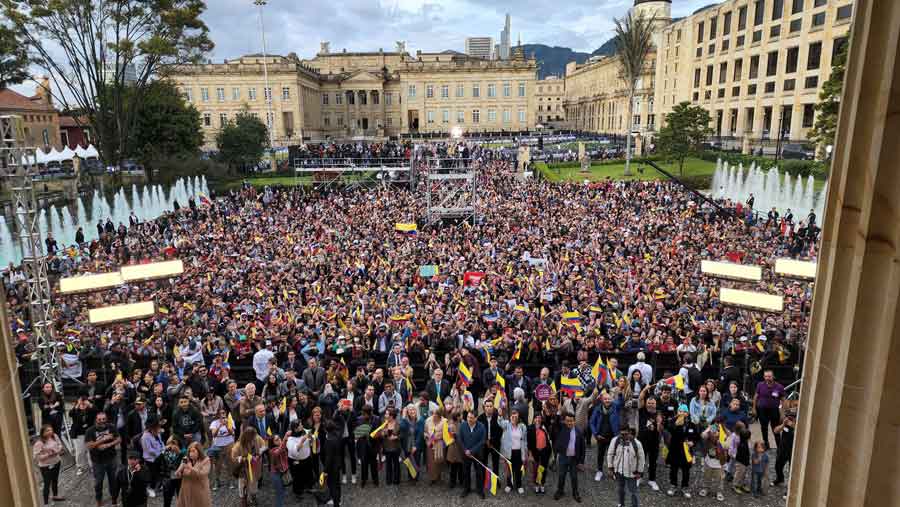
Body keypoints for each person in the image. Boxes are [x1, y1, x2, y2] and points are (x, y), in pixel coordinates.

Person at [85, 411, 121, 507]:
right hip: (97, 462)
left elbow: (118, 439)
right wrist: (102, 440)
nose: (102, 421)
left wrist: (109, 444)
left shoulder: (111, 427)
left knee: (113, 481)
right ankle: (99, 500)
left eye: (104, 419)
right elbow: (89, 446)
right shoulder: (90, 431)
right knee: (98, 483)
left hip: (112, 459)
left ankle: (114, 500)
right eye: (99, 419)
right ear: (96, 420)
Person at [606, 426, 645, 507]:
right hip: (619, 471)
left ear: (629, 432)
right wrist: (610, 468)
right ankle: (621, 504)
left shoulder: (637, 444)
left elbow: (641, 459)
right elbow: (610, 454)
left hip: (632, 473)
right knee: (620, 489)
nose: (623, 436)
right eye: (621, 434)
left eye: (625, 434)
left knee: (633, 492)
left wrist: (640, 472)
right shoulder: (615, 440)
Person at [665, 404, 697, 498]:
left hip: (686, 450)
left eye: (684, 411)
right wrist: (675, 425)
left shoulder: (691, 424)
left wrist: (693, 442)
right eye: (680, 411)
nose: (682, 413)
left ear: (687, 413)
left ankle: (685, 487)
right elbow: (668, 430)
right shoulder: (673, 421)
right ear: (677, 412)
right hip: (675, 449)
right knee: (673, 469)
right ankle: (673, 485)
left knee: (686, 470)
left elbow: (696, 436)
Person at [589, 392, 622, 482]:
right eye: (605, 399)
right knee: (600, 454)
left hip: (613, 436)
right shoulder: (597, 409)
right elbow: (591, 422)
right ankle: (599, 471)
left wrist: (620, 393)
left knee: (613, 454)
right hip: (601, 436)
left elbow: (621, 402)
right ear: (602, 400)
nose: (607, 400)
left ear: (612, 399)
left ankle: (613, 471)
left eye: (609, 399)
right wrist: (595, 434)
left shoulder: (615, 407)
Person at [553, 412, 584, 503]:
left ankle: (575, 492)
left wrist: (581, 461)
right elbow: (556, 423)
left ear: (574, 421)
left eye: (571, 421)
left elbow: (582, 447)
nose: (569, 423)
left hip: (574, 459)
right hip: (563, 457)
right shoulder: (561, 428)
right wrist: (558, 414)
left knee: (574, 477)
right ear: (565, 421)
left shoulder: (579, 431)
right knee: (561, 475)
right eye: (567, 421)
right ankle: (560, 491)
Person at [231, 427, 265, 507]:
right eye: (252, 437)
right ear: (247, 436)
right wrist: (243, 459)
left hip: (254, 468)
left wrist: (259, 453)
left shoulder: (257, 437)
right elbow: (234, 457)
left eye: (255, 436)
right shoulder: (239, 445)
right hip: (244, 470)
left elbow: (264, 445)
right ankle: (244, 500)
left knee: (254, 485)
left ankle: (253, 496)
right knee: (243, 486)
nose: (254, 439)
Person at [32, 424, 65, 506]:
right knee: (47, 483)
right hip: (45, 466)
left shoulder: (54, 436)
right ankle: (46, 503)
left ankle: (55, 495)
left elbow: (60, 444)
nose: (50, 432)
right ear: (43, 433)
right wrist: (48, 455)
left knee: (55, 480)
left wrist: (57, 450)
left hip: (56, 462)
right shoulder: (39, 443)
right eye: (47, 431)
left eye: (51, 430)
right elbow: (36, 457)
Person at [753, 370, 785, 450]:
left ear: (773, 376)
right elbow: (755, 397)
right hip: (762, 411)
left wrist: (782, 413)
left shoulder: (779, 387)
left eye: (769, 376)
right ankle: (766, 445)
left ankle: (779, 447)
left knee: (775, 429)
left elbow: (784, 400)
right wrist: (754, 408)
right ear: (764, 377)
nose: (767, 378)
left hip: (774, 411)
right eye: (766, 376)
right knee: (764, 428)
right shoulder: (760, 385)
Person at [458, 409, 486, 499]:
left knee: (479, 472)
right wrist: (465, 450)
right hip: (465, 454)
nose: (469, 419)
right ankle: (466, 489)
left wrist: (472, 451)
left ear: (476, 418)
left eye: (471, 418)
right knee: (466, 472)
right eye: (468, 417)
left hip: (477, 454)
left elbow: (482, 441)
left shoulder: (481, 427)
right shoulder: (462, 425)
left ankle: (480, 490)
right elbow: (460, 439)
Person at [498, 408, 527, 494]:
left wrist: (525, 452)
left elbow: (524, 440)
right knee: (509, 469)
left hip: (519, 452)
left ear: (518, 417)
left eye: (515, 416)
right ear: (510, 417)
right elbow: (500, 423)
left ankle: (519, 485)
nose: (514, 417)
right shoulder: (507, 424)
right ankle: (509, 485)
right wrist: (500, 415)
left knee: (519, 470)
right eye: (512, 416)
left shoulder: (522, 426)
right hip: (509, 452)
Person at [176, 441, 211, 507]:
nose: (191, 454)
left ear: (199, 451)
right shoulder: (185, 459)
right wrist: (178, 472)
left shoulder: (206, 460)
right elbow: (179, 474)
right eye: (189, 451)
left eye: (193, 451)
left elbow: (203, 474)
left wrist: (190, 468)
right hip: (187, 490)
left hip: (200, 490)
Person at [208, 408, 236, 490]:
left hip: (229, 445)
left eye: (224, 413)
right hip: (218, 446)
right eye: (220, 413)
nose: (222, 415)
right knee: (217, 464)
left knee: (229, 463)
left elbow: (232, 433)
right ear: (218, 415)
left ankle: (230, 480)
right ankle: (217, 480)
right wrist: (220, 425)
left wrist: (227, 425)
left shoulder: (230, 421)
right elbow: (213, 434)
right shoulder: (214, 423)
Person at [477, 398, 503, 478]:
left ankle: (496, 479)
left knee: (496, 464)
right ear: (484, 407)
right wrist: (485, 441)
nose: (489, 408)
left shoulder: (497, 417)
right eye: (487, 406)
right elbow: (479, 433)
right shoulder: (480, 418)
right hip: (484, 444)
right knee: (484, 463)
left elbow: (500, 431)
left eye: (490, 406)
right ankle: (484, 479)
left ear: (493, 407)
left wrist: (491, 441)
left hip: (495, 444)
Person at [527, 413, 551, 494]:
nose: (538, 419)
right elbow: (529, 443)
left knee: (543, 469)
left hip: (544, 451)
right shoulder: (530, 428)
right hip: (535, 452)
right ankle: (536, 484)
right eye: (536, 417)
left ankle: (542, 484)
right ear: (533, 419)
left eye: (539, 418)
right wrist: (530, 455)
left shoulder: (544, 427)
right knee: (535, 469)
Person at [322, 421, 344, 507]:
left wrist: (325, 471)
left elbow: (328, 458)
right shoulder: (337, 435)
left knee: (332, 486)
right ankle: (338, 500)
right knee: (337, 484)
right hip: (337, 464)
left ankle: (336, 503)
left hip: (332, 467)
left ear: (326, 430)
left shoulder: (329, 440)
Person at [158, 438, 184, 507]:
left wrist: (179, 453)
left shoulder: (182, 453)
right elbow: (156, 462)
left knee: (181, 499)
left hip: (179, 478)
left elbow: (185, 462)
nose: (172, 446)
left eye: (174, 444)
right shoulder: (164, 454)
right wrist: (163, 451)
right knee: (167, 500)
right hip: (167, 478)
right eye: (170, 444)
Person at [772, 414, 796, 486]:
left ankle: (791, 487)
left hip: (793, 450)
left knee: (792, 470)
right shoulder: (785, 422)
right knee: (778, 465)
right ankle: (779, 479)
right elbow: (776, 431)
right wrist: (783, 424)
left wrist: (794, 426)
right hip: (783, 448)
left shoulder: (799, 423)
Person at [268, 433, 290, 507]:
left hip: (283, 472)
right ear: (272, 443)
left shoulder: (282, 446)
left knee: (283, 491)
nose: (279, 440)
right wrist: (285, 438)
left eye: (279, 438)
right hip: (276, 474)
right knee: (279, 493)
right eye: (276, 440)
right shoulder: (272, 451)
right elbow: (278, 451)